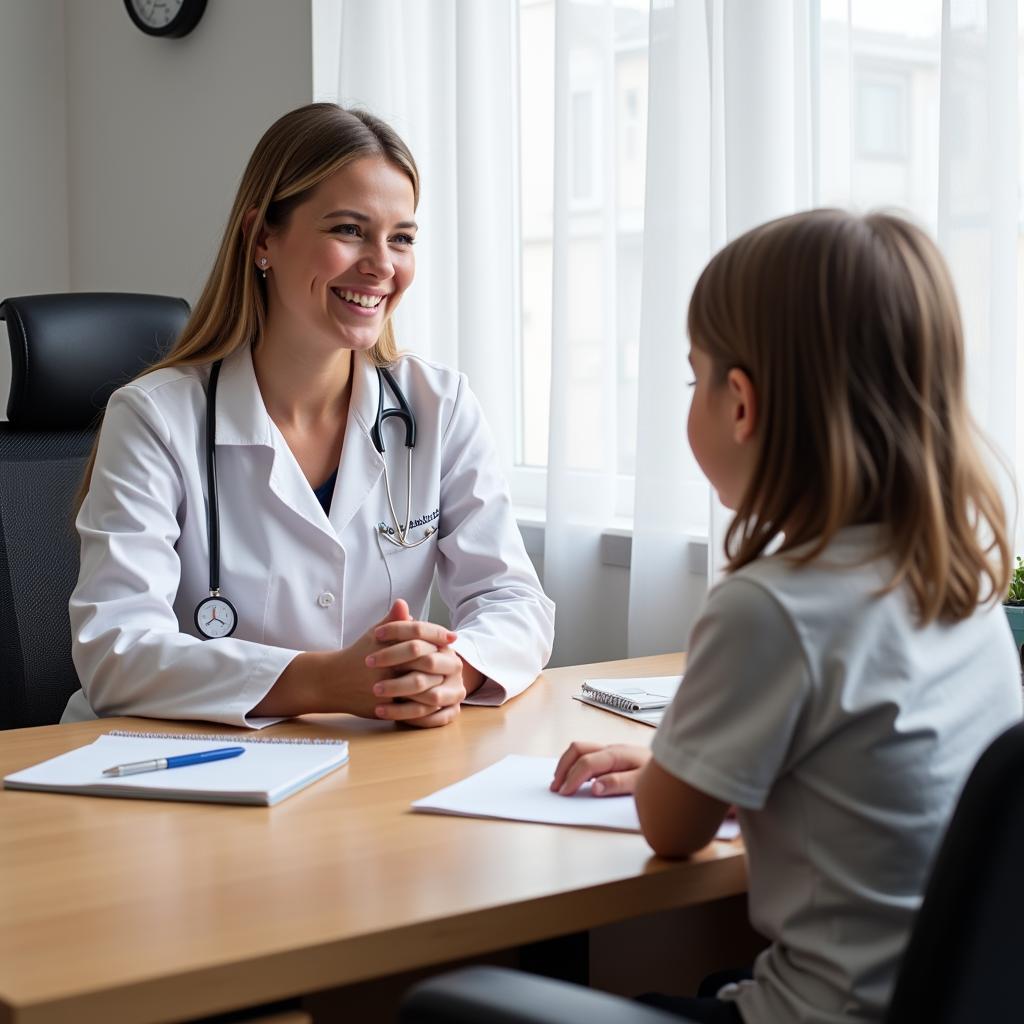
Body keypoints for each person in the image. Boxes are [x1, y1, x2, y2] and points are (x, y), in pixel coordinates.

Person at [551, 209, 1022, 1022]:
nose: (692, 398)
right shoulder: (961, 577)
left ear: (742, 404)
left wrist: (675, 762)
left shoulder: (770, 607)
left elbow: (672, 829)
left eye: (693, 376)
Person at [64, 103, 554, 730]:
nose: (382, 265)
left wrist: (454, 669)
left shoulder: (438, 406)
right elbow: (115, 651)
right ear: (263, 239)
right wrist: (326, 680)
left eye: (401, 237)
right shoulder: (156, 419)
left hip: (367, 765)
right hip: (175, 774)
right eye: (349, 230)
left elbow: (514, 599)